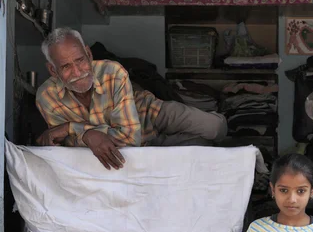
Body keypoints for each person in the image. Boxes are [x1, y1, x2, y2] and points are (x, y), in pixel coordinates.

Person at [36, 28, 227, 170]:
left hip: (149, 113)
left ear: (89, 53)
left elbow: (128, 137)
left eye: (80, 61)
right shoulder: (47, 97)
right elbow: (70, 147)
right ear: (53, 70)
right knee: (204, 148)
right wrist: (87, 135)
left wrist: (75, 129)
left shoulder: (112, 71)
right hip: (143, 145)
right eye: (66, 67)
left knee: (215, 128)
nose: (78, 73)